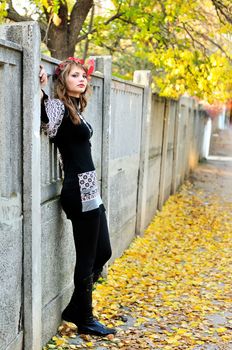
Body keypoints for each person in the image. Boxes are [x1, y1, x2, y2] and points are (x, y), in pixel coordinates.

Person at [39, 57, 116, 336]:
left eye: (83, 76)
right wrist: (40, 88)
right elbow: (46, 121)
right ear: (64, 80)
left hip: (90, 189)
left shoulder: (76, 108)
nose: (81, 79)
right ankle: (85, 317)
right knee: (86, 257)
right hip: (77, 189)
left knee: (103, 251)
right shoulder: (59, 106)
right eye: (74, 76)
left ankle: (75, 306)